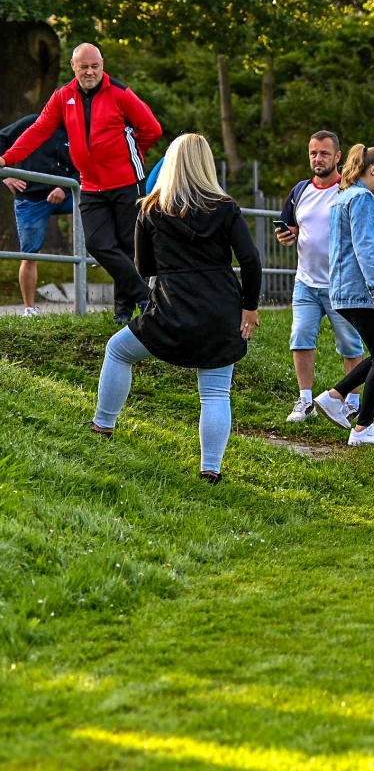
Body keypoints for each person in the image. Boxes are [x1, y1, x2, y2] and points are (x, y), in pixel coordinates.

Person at [89, 133, 260, 483]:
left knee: (118, 351)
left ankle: (102, 425)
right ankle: (210, 469)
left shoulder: (150, 208)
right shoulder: (225, 208)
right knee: (215, 392)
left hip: (171, 308)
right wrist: (250, 308)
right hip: (221, 308)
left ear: (170, 163)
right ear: (206, 164)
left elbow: (144, 268)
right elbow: (251, 260)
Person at [0, 44, 162, 323]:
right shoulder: (63, 96)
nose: (90, 72)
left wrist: (130, 153)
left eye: (95, 66)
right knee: (98, 244)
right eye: (84, 66)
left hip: (126, 180)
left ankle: (123, 312)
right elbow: (38, 129)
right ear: (73, 66)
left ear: (102, 65)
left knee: (128, 246)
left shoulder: (120, 94)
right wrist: (7, 159)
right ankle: (146, 297)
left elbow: (152, 129)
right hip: (90, 184)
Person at [313, 144, 374, 446]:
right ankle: (363, 428)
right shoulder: (364, 199)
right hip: (361, 292)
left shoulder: (344, 196)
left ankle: (334, 397)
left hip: (345, 290)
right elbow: (364, 247)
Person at [277, 131, 364, 422]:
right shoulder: (300, 190)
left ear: (338, 157)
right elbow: (291, 227)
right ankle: (304, 401)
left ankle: (351, 401)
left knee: (350, 344)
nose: (318, 158)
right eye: (314, 153)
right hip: (306, 281)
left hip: (341, 285)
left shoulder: (349, 191)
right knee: (300, 337)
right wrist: (287, 236)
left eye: (325, 153)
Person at [2, 113, 76, 316]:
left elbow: (90, 164)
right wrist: (6, 175)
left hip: (68, 193)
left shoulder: (80, 127)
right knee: (29, 254)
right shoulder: (30, 122)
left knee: (97, 199)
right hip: (31, 197)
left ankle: (98, 251)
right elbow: (1, 139)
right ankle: (29, 309)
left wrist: (65, 189)